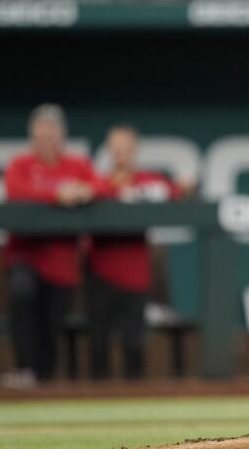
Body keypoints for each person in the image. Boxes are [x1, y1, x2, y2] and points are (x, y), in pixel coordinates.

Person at [0, 104, 95, 388]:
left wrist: (84, 190)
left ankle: (44, 379)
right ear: (33, 136)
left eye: (51, 134)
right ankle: (25, 368)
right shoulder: (20, 164)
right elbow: (15, 192)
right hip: (25, 255)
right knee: (21, 292)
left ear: (60, 137)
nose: (46, 140)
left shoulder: (76, 165)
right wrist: (57, 193)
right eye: (40, 135)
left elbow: (101, 185)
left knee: (53, 325)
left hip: (61, 262)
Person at [87, 125, 186, 380]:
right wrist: (114, 189)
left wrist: (182, 186)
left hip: (135, 275)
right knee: (99, 344)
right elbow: (87, 192)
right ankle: (96, 404)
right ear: (109, 151)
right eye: (116, 148)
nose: (121, 154)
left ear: (134, 151)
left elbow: (173, 191)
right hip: (100, 273)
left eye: (126, 148)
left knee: (133, 343)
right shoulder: (98, 181)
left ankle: (135, 399)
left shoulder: (147, 181)